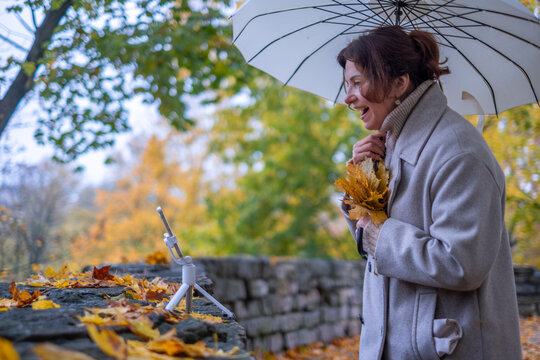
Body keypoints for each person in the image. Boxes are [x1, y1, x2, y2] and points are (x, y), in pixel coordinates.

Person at [337, 26, 522, 359]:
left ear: (399, 83)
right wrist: (361, 175)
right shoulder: (390, 144)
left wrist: (383, 239)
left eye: (357, 82)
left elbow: (462, 261)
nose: (348, 96)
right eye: (347, 84)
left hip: (445, 348)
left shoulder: (458, 152)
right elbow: (369, 235)